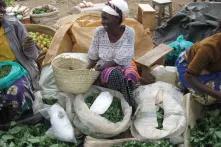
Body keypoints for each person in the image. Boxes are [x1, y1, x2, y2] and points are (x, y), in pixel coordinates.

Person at [87, 0, 140, 109]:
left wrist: (100, 68)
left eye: (105, 18)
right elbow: (93, 56)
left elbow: (122, 58)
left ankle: (126, 102)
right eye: (102, 18)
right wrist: (85, 72)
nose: (102, 22)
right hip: (105, 70)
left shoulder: (129, 33)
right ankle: (129, 104)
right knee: (114, 74)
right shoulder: (99, 32)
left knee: (130, 75)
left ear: (117, 19)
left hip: (124, 65)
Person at [0, 0, 39, 124]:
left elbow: (33, 55)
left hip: (19, 69)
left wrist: (29, 46)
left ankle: (14, 119)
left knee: (16, 90)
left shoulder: (14, 25)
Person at [176, 30, 221, 105]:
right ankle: (182, 81)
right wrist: (217, 94)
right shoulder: (208, 48)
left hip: (211, 68)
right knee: (208, 99)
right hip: (188, 67)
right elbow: (189, 76)